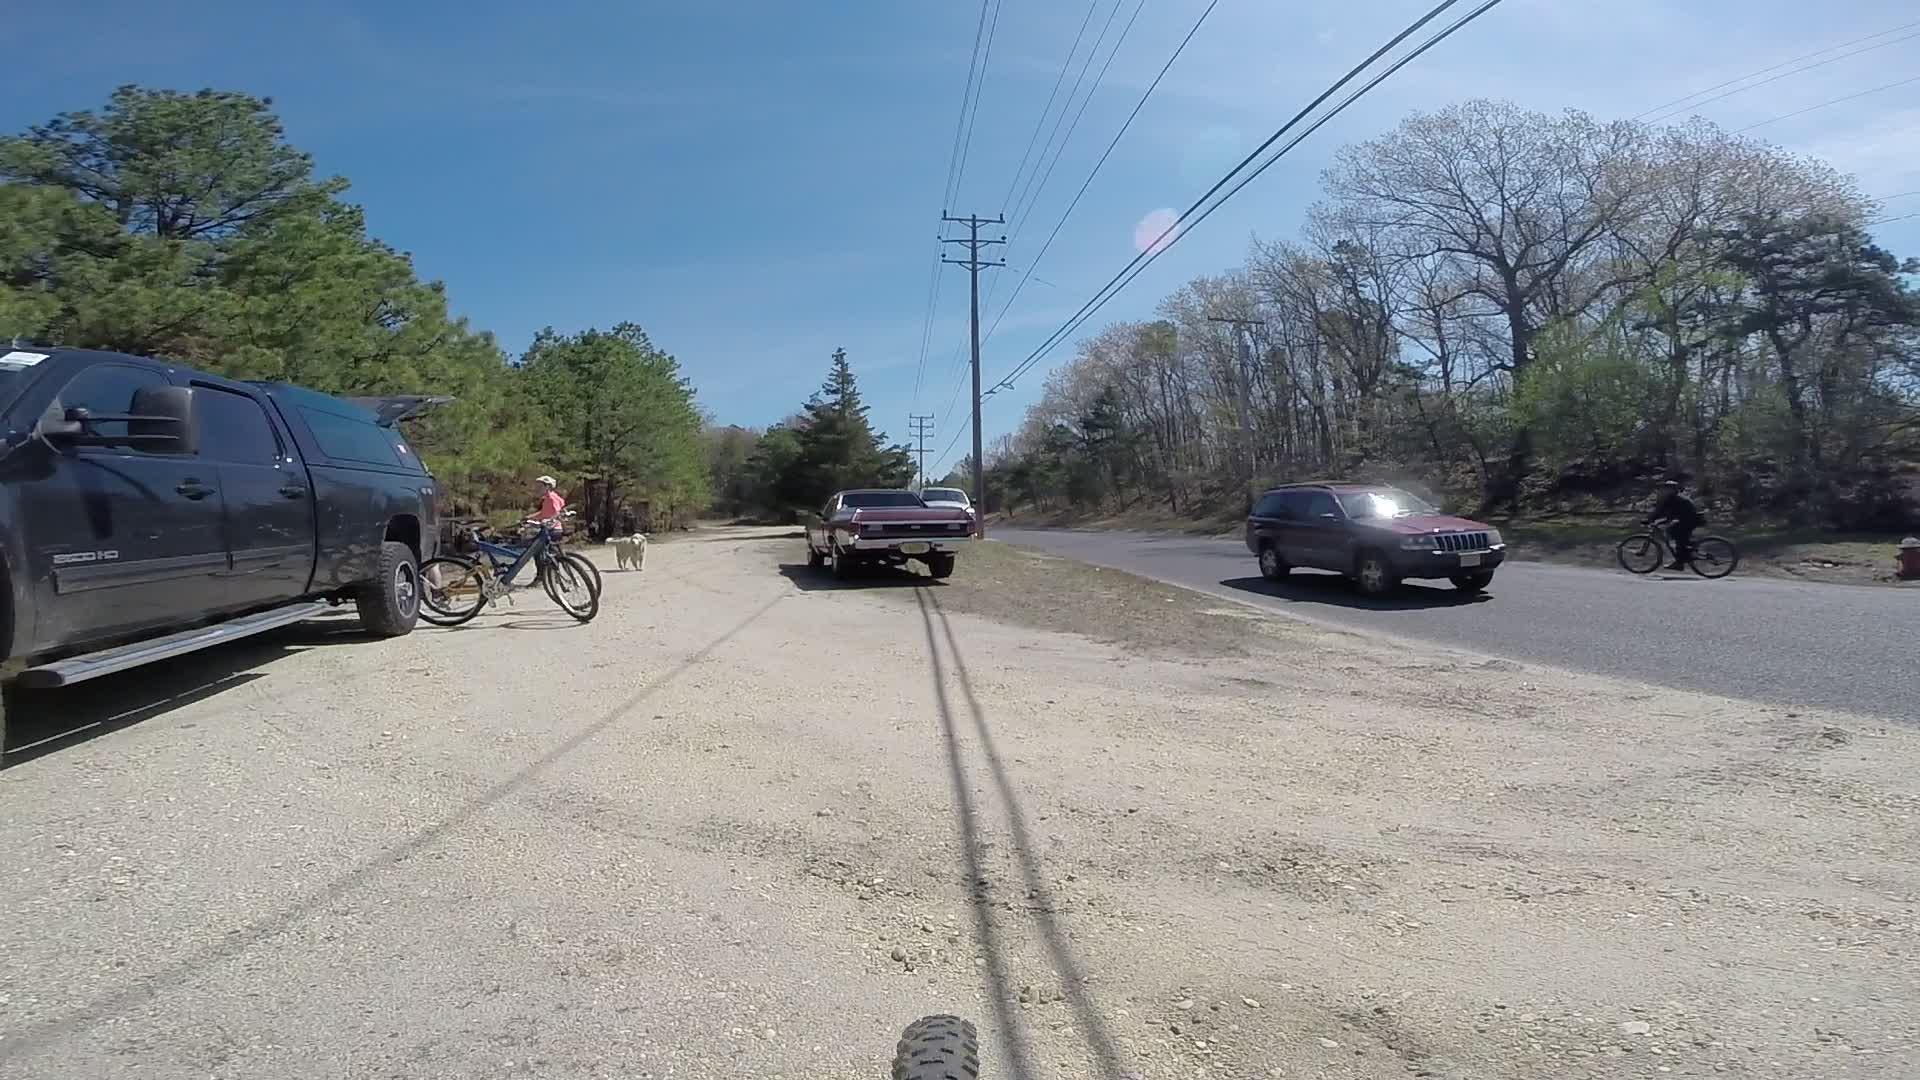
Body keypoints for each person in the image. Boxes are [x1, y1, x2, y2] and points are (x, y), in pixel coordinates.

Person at [1647, 479, 1702, 570]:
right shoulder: (1676, 497)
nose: (1664, 490)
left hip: (1689, 520)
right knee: (1673, 533)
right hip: (1687, 518)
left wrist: (1650, 519)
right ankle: (1687, 551)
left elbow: (1660, 511)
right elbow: (1666, 513)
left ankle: (1680, 561)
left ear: (1672, 490)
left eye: (1666, 488)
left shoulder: (1672, 498)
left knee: (1676, 534)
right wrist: (1657, 520)